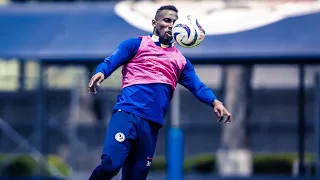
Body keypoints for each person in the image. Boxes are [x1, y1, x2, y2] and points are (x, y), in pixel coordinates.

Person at [87, 5, 232, 180]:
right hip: (127, 115)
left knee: (136, 177)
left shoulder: (181, 61)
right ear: (154, 23)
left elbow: (198, 86)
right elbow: (111, 61)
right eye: (167, 20)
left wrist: (215, 101)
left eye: (175, 22)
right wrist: (101, 71)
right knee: (111, 164)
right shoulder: (136, 44)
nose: (171, 25)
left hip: (152, 124)